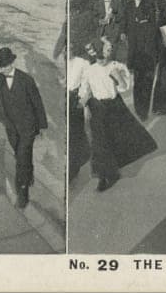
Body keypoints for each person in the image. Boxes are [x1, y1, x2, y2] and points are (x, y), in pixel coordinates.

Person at [79, 38, 158, 192]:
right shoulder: (89, 70)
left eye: (109, 50)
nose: (109, 52)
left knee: (117, 138)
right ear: (99, 52)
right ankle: (104, 176)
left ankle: (114, 168)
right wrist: (83, 103)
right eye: (107, 50)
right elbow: (85, 89)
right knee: (99, 142)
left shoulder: (115, 66)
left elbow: (124, 87)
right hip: (98, 107)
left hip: (115, 106)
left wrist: (118, 78)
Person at [0, 47, 49, 208]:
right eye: (1, 66)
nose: (4, 69)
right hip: (11, 128)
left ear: (12, 62)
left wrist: (42, 126)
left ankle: (23, 195)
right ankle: (28, 175)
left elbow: (37, 103)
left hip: (28, 127)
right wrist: (5, 121)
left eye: (6, 65)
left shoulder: (26, 80)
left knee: (21, 158)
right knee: (20, 155)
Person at [122, 0, 160, 120]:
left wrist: (141, 24)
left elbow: (152, 25)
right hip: (135, 50)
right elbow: (125, 22)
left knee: (148, 82)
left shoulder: (149, 4)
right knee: (138, 82)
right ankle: (139, 110)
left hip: (148, 50)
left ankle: (144, 111)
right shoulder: (128, 6)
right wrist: (124, 32)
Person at [67, 44, 92, 182]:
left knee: (75, 134)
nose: (67, 51)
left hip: (75, 100)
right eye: (65, 49)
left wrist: (83, 101)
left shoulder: (82, 63)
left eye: (69, 48)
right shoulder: (61, 63)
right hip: (63, 99)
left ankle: (74, 168)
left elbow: (86, 83)